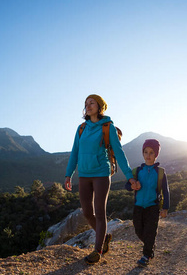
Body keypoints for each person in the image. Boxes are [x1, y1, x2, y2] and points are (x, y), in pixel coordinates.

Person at [64, 94, 135, 264]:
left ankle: (98, 250)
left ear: (100, 106)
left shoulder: (107, 127)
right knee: (88, 212)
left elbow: (119, 152)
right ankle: (104, 237)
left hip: (101, 174)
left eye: (92, 103)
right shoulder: (81, 128)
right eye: (86, 104)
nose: (88, 106)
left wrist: (130, 176)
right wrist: (69, 174)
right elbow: (74, 152)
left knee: (100, 212)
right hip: (84, 175)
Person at [126, 138, 170, 267]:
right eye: (146, 152)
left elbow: (166, 191)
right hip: (138, 206)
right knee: (139, 230)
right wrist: (132, 186)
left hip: (153, 207)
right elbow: (127, 186)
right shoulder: (137, 171)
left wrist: (165, 208)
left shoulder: (160, 172)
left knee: (150, 230)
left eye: (151, 152)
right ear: (143, 153)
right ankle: (150, 246)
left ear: (156, 154)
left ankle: (146, 254)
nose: (148, 155)